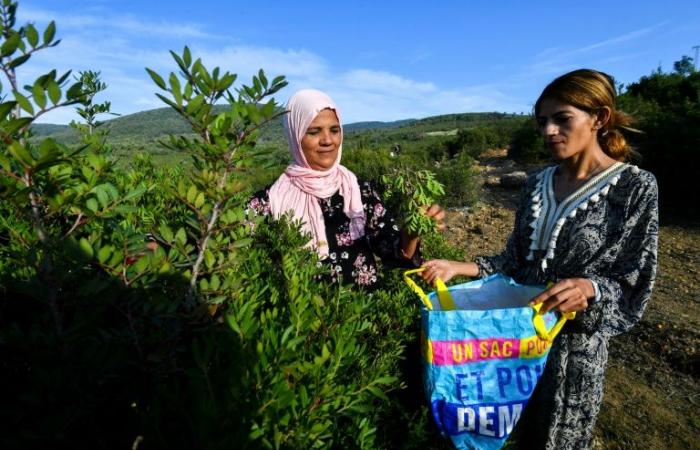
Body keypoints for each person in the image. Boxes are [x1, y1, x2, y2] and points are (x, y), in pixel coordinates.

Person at [421, 69, 658, 449]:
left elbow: (635, 279)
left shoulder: (634, 187)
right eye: (542, 121)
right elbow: (514, 261)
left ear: (600, 118)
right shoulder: (536, 183)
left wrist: (590, 289)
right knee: (499, 431)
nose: (549, 131)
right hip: (511, 343)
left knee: (552, 436)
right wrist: (456, 268)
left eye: (562, 119)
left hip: (571, 353)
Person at [247, 88, 444, 290]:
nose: (328, 140)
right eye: (314, 131)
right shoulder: (269, 202)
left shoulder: (359, 192)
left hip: (364, 318)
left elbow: (394, 255)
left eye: (334, 130)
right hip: (298, 319)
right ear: (295, 136)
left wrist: (410, 233)